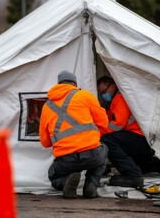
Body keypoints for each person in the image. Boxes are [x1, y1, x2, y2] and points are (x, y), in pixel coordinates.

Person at [39, 70, 109, 199]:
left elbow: (45, 142)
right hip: (92, 154)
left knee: (53, 175)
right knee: (104, 150)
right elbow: (103, 123)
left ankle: (66, 181)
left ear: (58, 84)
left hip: (66, 159)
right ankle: (91, 186)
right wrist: (92, 137)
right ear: (74, 84)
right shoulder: (85, 96)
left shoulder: (46, 106)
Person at [97, 76, 160, 188]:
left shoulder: (119, 97)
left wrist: (99, 135)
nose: (103, 95)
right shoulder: (122, 97)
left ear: (113, 85)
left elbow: (118, 124)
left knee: (108, 141)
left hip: (139, 137)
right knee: (141, 165)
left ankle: (132, 176)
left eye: (104, 91)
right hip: (146, 139)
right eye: (101, 93)